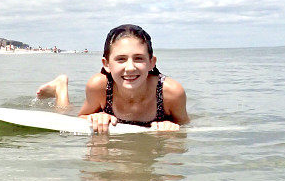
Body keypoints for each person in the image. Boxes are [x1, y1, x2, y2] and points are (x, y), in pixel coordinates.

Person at [36, 24, 189, 133]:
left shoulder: (170, 92)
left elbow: (185, 126)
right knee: (64, 112)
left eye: (139, 58)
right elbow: (80, 117)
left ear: (151, 63)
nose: (130, 67)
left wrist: (172, 127)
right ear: (107, 64)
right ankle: (60, 88)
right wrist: (96, 116)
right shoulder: (100, 86)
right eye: (121, 59)